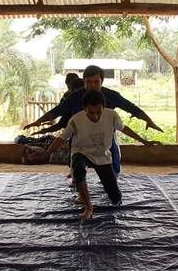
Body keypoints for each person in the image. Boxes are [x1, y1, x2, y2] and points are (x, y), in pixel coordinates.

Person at [23, 64, 163, 173]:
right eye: (89, 82)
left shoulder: (112, 96)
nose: (92, 85)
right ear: (84, 82)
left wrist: (148, 121)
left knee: (114, 168)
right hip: (79, 140)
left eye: (96, 82)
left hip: (105, 138)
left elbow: (132, 108)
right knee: (76, 167)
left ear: (102, 81)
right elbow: (57, 111)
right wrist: (38, 122)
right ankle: (77, 181)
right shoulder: (75, 97)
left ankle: (111, 180)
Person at [44, 89, 158, 220]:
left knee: (116, 198)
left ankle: (112, 195)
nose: (95, 116)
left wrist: (144, 141)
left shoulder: (112, 115)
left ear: (104, 107)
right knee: (78, 168)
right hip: (81, 151)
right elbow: (61, 138)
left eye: (99, 112)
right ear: (85, 109)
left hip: (102, 155)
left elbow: (125, 129)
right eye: (91, 113)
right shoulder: (76, 119)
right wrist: (46, 153)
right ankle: (88, 207)